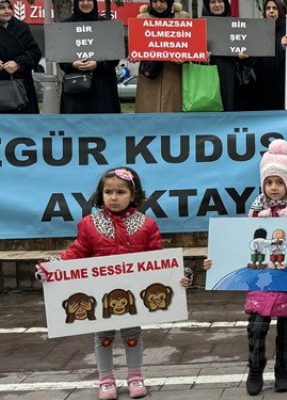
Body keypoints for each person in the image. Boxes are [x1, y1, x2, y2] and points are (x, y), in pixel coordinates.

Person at [40, 167, 191, 400]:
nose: (113, 197)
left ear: (134, 194)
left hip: (133, 295)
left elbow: (157, 260)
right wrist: (51, 266)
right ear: (100, 194)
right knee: (103, 336)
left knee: (132, 334)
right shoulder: (89, 224)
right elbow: (76, 252)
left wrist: (177, 277)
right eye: (108, 191)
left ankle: (135, 376)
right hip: (100, 295)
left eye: (120, 192)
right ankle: (106, 379)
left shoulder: (146, 224)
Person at [205, 139, 287, 394]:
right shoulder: (255, 212)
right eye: (268, 182)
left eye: (279, 182)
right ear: (262, 183)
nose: (273, 188)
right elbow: (240, 246)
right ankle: (255, 369)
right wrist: (216, 263)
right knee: (256, 327)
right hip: (262, 280)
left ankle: (283, 371)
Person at [59, 0, 121, 114]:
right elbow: (61, 61)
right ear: (75, 2)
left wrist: (97, 64)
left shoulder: (106, 25)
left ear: (94, 1)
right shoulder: (66, 26)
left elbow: (114, 58)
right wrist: (73, 64)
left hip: (102, 87)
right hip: (76, 88)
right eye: (81, 0)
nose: (85, 3)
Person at [134, 0, 190, 113]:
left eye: (162, 0)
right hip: (149, 78)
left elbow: (192, 49)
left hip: (174, 78)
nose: (158, 5)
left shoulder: (182, 18)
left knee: (173, 118)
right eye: (154, 1)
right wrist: (134, 54)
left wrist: (185, 58)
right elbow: (134, 48)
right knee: (148, 117)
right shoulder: (142, 19)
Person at [201, 0, 251, 112]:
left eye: (220, 1)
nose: (217, 5)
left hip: (232, 78)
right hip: (209, 76)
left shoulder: (237, 25)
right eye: (212, 2)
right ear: (207, 5)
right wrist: (201, 59)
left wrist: (243, 57)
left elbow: (249, 51)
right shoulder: (200, 26)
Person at [247, 0, 287, 111]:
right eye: (268, 8)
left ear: (280, 10)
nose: (271, 11)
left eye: (275, 8)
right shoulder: (258, 30)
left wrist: (283, 47)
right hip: (261, 89)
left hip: (282, 89)